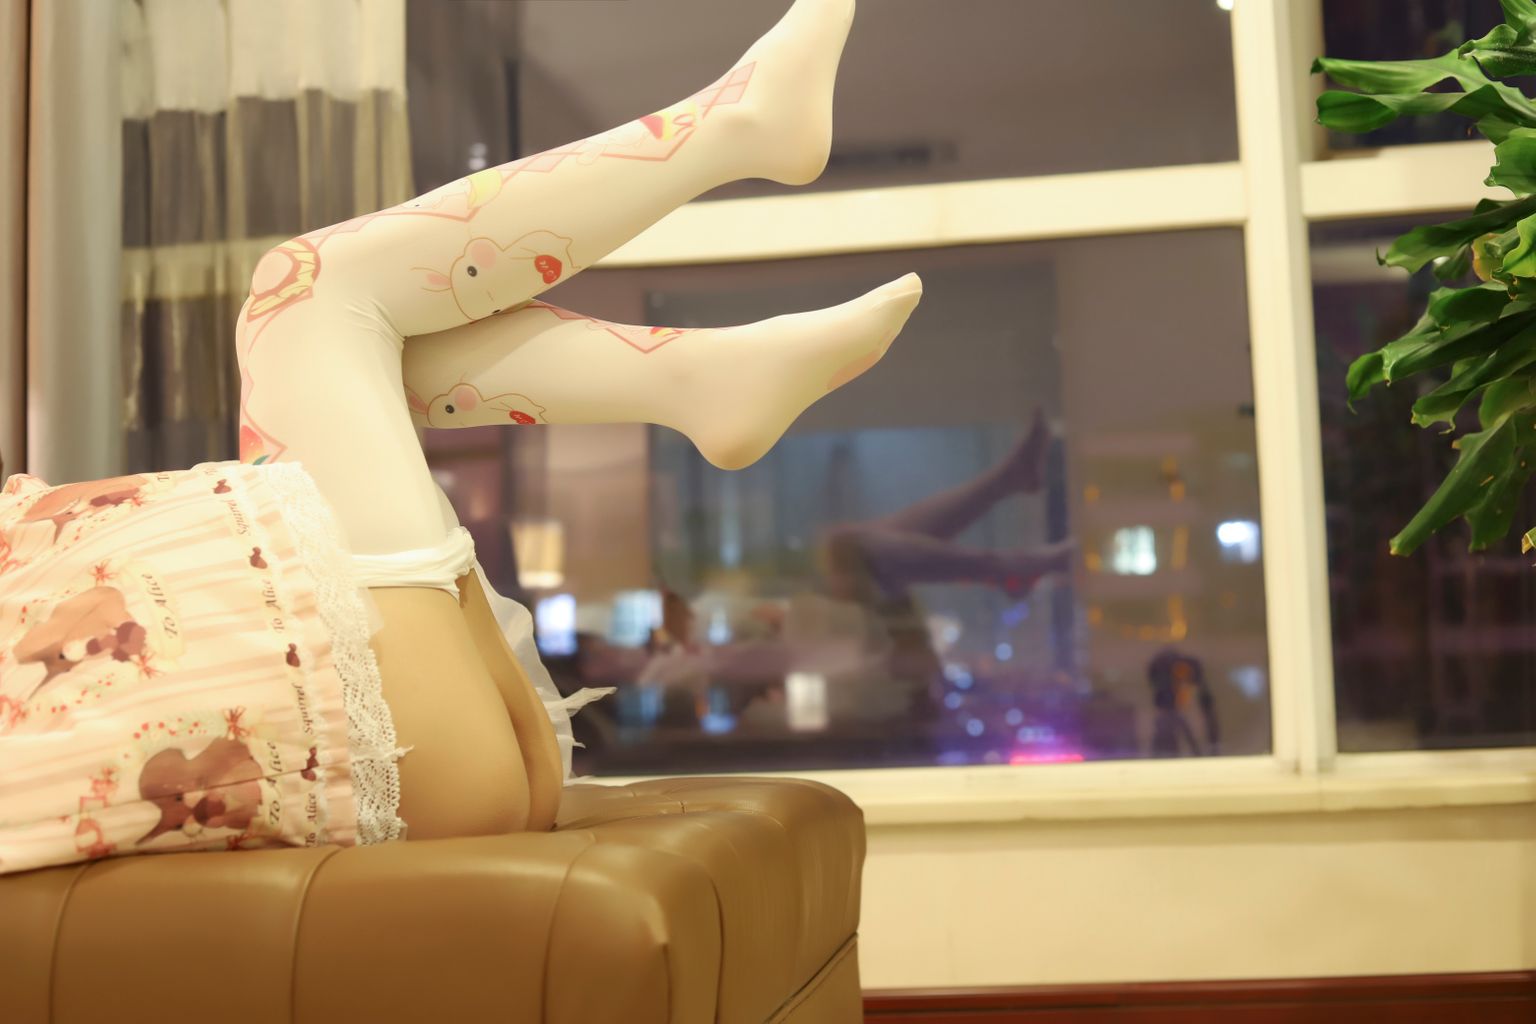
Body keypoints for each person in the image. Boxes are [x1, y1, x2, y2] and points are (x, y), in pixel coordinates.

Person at [0, 0, 922, 875]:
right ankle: (730, 141)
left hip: (434, 748)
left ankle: (702, 370)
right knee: (302, 289)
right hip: (396, 757)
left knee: (387, 351)